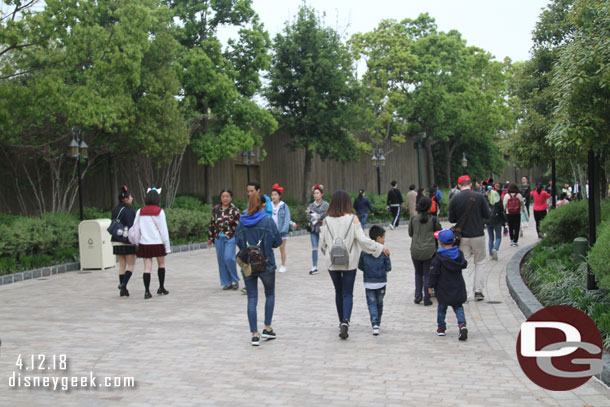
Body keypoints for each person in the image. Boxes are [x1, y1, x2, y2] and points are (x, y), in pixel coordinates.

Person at [319, 190, 390, 340]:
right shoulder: (353, 219)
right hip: (349, 261)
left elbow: (322, 244)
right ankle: (346, 321)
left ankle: (341, 321)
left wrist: (329, 249)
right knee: (347, 293)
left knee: (338, 292)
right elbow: (363, 241)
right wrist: (379, 248)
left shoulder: (326, 220)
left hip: (332, 261)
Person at [235, 192, 282, 346]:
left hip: (248, 265)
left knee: (252, 298)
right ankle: (267, 327)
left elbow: (238, 241)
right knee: (269, 294)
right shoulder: (267, 220)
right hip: (266, 263)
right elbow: (277, 241)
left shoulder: (241, 222)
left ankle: (254, 334)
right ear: (262, 204)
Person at [448, 175, 490, 302]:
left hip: (462, 237)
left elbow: (452, 219)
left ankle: (465, 293)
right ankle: (478, 291)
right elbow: (487, 215)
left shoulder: (455, 199)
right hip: (478, 234)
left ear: (459, 185)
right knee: (480, 262)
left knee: (464, 263)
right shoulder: (479, 197)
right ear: (470, 184)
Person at [428, 229, 468, 341]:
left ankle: (441, 328)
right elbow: (464, 264)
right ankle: (462, 325)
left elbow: (434, 273)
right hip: (457, 286)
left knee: (442, 307)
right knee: (458, 307)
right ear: (454, 240)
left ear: (440, 242)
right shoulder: (459, 254)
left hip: (443, 287)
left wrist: (430, 286)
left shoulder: (438, 257)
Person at [133, 188, 171, 299]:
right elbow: (163, 230)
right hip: (157, 242)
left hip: (144, 242)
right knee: (161, 265)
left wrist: (137, 241)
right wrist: (167, 246)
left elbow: (136, 227)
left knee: (147, 268)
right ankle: (161, 287)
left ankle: (147, 291)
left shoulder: (140, 211)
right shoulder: (160, 211)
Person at [358, 225, 392, 336]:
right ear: (378, 238)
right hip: (381, 282)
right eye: (383, 237)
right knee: (379, 303)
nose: (384, 239)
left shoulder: (364, 252)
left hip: (368, 282)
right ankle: (378, 322)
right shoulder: (384, 251)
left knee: (371, 304)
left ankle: (375, 324)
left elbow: (360, 266)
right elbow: (388, 267)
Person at [408, 196, 442, 305]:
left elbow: (410, 234)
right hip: (429, 251)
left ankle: (418, 295)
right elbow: (439, 233)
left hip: (415, 250)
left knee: (418, 273)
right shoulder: (433, 220)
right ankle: (427, 298)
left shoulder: (413, 219)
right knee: (427, 274)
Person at [207, 189, 241, 290]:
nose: (225, 198)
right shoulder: (216, 209)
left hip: (230, 237)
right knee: (221, 260)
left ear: (231, 198)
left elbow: (239, 225)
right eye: (223, 196)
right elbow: (212, 224)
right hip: (218, 238)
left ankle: (235, 280)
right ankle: (227, 282)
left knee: (229, 258)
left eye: (227, 196)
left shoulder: (235, 210)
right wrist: (210, 237)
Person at [112, 185, 137, 297]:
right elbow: (132, 227)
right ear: (126, 198)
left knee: (122, 265)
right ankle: (123, 284)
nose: (131, 198)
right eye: (130, 196)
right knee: (131, 265)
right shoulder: (129, 211)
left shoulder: (115, 209)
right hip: (127, 241)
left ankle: (123, 289)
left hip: (115, 239)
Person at [306, 184, 329, 275]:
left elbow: (326, 216)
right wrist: (317, 217)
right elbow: (308, 217)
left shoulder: (326, 204)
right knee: (314, 248)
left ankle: (330, 263)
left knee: (324, 248)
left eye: (317, 193)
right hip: (313, 229)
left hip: (323, 229)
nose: (315, 195)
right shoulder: (311, 205)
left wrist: (315, 215)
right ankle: (314, 267)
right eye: (314, 193)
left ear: (321, 194)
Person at [270, 183, 291, 273]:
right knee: (270, 248)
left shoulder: (284, 206)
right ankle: (271, 265)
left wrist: (284, 230)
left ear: (279, 196)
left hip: (281, 231)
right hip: (271, 230)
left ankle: (283, 265)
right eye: (272, 195)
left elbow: (287, 218)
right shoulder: (268, 205)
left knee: (282, 247)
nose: (273, 196)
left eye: (275, 195)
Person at [485, 184, 504, 261]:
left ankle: (490, 254)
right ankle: (495, 248)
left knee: (491, 238)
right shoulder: (498, 200)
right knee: (498, 237)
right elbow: (502, 209)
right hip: (497, 219)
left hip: (488, 220)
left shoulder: (486, 200)